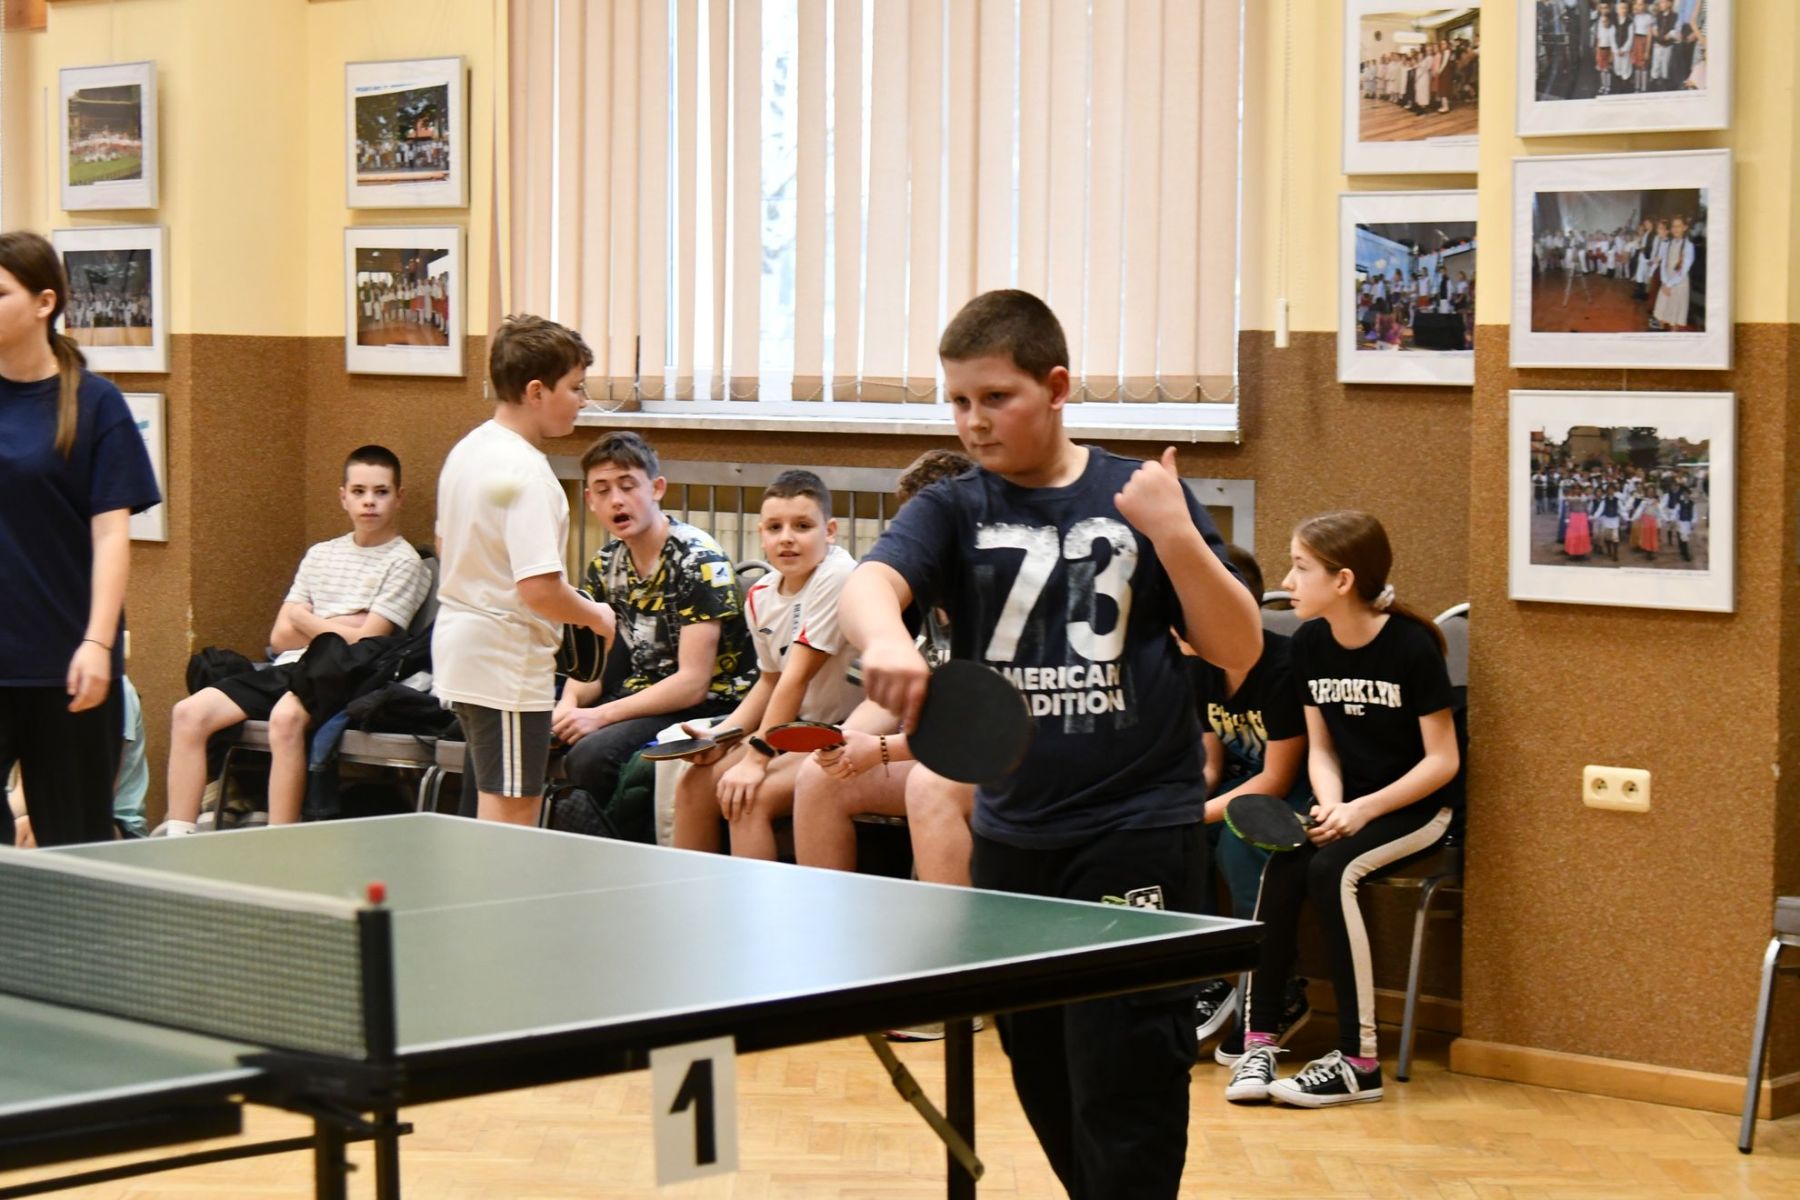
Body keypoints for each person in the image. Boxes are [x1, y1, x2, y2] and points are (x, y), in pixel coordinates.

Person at [842, 289, 1262, 1199]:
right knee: (1043, 1072)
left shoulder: (1140, 493)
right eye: (959, 401)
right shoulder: (952, 508)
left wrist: (1175, 532)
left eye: (997, 398)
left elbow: (1237, 647)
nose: (974, 421)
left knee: (1126, 1081)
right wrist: (884, 639)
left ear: (1057, 386)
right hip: (1013, 837)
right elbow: (871, 583)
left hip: (1137, 829)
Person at [1225, 511, 1460, 1109]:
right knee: (1285, 865)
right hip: (1345, 803)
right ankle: (1259, 1040)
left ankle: (1359, 1062)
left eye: (1300, 567)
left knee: (1332, 872)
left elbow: (1442, 761)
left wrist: (1363, 811)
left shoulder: (1411, 646)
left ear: (1343, 580)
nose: (1287, 581)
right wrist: (1331, 805)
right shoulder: (1310, 644)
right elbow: (1322, 748)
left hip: (1416, 810)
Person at [160, 446, 431, 834]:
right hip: (290, 665)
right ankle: (178, 837)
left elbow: (366, 641)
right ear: (343, 496)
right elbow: (280, 637)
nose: (369, 501)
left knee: (285, 719)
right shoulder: (320, 554)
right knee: (188, 713)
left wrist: (305, 618)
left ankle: (281, 843)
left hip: (345, 675)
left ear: (399, 497)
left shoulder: (405, 561)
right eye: (359, 491)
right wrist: (340, 622)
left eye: (381, 491)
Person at [0, 230, 160, 847]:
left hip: (65, 663)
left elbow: (113, 536)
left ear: (44, 303)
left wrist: (97, 642)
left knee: (74, 843)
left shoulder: (96, 405)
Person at [434, 315, 616, 825]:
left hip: (461, 652)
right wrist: (596, 616)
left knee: (491, 812)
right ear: (536, 391)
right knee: (511, 822)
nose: (583, 400)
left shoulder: (468, 450)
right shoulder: (527, 473)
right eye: (575, 387)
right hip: (505, 665)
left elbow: (446, 545)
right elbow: (539, 589)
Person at [792, 449, 977, 881]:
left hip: (999, 762)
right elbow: (884, 702)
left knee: (928, 784)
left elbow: (977, 734)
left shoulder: (994, 594)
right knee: (817, 778)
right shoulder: (911, 595)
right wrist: (844, 743)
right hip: (928, 753)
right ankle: (824, 917)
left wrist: (879, 750)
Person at [555, 431, 754, 811]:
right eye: (603, 490)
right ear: (590, 500)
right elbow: (591, 663)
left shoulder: (698, 559)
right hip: (642, 694)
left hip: (707, 705)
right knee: (542, 731)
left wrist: (598, 716)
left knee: (592, 756)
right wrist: (569, 704)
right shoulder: (604, 564)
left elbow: (693, 684)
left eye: (628, 486)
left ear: (657, 488)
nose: (616, 500)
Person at [671, 469, 861, 859]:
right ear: (761, 534)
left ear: (830, 531)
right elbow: (770, 681)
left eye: (802, 526)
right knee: (694, 785)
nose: (787, 537)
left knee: (749, 796)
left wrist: (757, 757)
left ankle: (758, 901)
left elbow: (797, 676)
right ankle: (693, 895)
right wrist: (720, 736)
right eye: (775, 527)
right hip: (793, 729)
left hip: (847, 731)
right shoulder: (759, 593)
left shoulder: (840, 574)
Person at [1187, 545, 1313, 1063]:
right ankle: (1203, 977)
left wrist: (1194, 813)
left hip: (1298, 792)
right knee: (1175, 839)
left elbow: (1276, 780)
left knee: (1240, 847)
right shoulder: (1198, 666)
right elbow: (1210, 767)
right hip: (1241, 784)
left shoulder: (1284, 666)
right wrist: (1176, 805)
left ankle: (1276, 990)